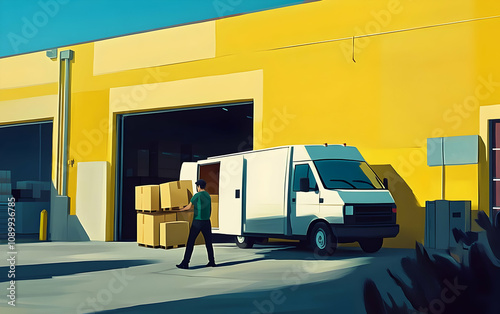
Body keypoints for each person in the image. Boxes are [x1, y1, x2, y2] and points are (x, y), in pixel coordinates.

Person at [176, 179, 216, 269]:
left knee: (190, 242)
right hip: (207, 222)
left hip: (197, 222)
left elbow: (188, 207)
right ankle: (212, 261)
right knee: (208, 243)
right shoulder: (208, 195)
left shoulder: (197, 195)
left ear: (198, 187)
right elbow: (210, 209)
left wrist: (179, 210)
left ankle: (185, 263)